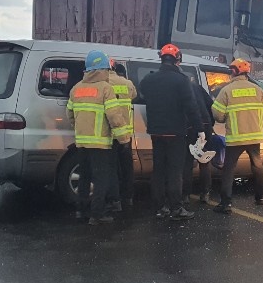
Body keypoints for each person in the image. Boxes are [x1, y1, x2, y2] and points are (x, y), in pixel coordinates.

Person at [66, 50, 130, 225]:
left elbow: (70, 114)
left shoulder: (76, 88)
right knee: (101, 179)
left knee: (84, 177)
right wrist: (124, 139)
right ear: (103, 69)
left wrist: (79, 129)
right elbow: (115, 117)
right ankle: (97, 214)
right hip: (101, 144)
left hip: (81, 143)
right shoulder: (105, 88)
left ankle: (81, 211)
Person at [138, 44, 199, 220]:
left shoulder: (149, 80)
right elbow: (191, 107)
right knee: (174, 172)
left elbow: (142, 93)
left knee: (158, 171)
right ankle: (176, 208)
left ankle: (159, 207)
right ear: (177, 59)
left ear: (162, 58)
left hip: (156, 132)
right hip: (175, 133)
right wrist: (199, 128)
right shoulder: (181, 80)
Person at [212, 58, 263, 213]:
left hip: (235, 139)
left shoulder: (227, 90)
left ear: (235, 71)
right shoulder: (257, 90)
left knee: (229, 169)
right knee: (257, 166)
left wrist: (225, 118)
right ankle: (260, 197)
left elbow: (217, 114)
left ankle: (226, 203)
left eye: (231, 70)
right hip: (254, 137)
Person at [107, 59, 137, 210]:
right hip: (125, 133)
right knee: (127, 167)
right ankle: (128, 198)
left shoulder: (103, 84)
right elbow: (134, 96)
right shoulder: (128, 83)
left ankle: (115, 200)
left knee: (111, 167)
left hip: (108, 133)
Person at [182, 74, 215, 204]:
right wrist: (210, 124)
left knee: (187, 162)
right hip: (205, 125)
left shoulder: (180, 89)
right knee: (204, 161)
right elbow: (210, 104)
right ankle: (205, 193)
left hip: (190, 127)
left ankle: (185, 195)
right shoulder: (197, 87)